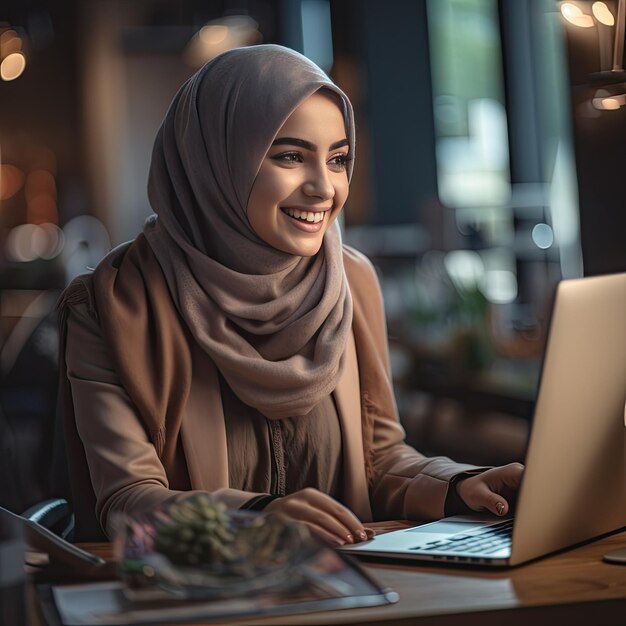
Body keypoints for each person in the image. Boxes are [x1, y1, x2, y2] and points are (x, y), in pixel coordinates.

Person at [59, 44, 524, 544]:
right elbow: (126, 503)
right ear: (217, 162)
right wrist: (257, 517)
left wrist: (458, 485)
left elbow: (380, 457)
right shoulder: (112, 305)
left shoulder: (350, 280)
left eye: (339, 159)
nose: (325, 188)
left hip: (356, 592)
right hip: (197, 605)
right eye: (289, 156)